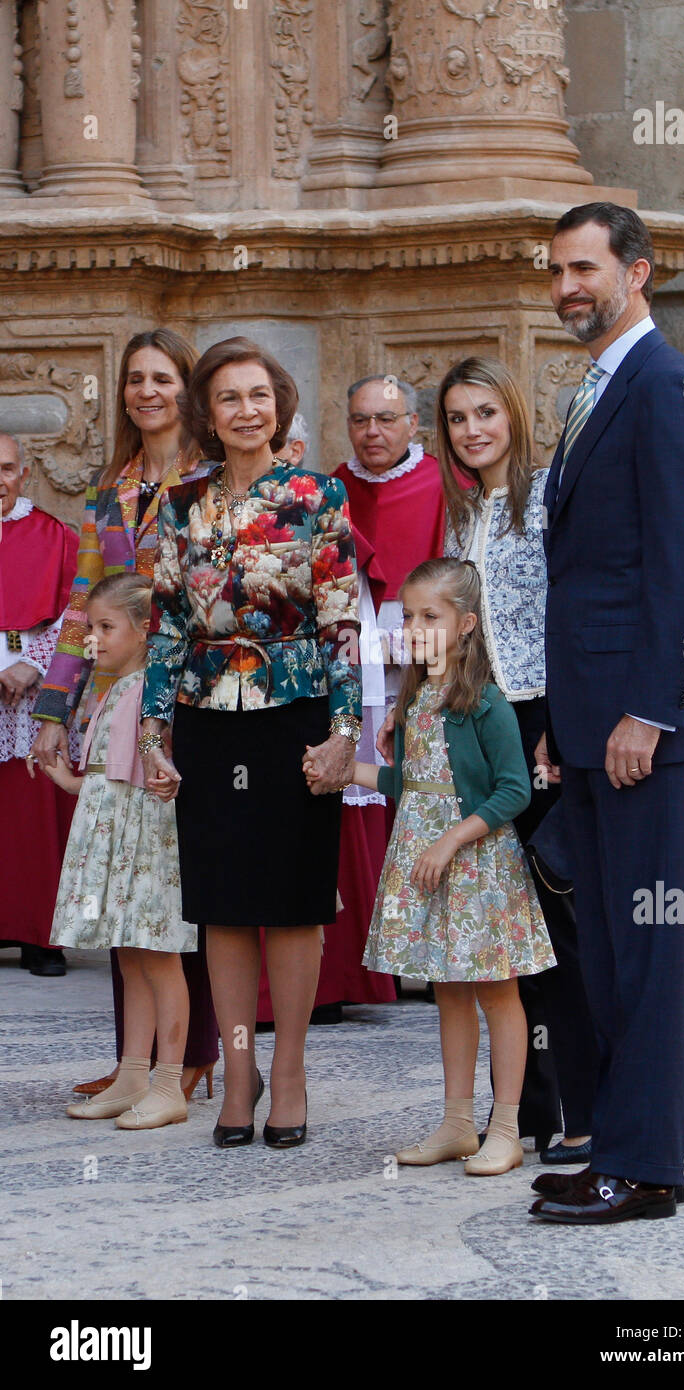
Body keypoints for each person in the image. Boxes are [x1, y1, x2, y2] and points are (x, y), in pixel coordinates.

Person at [529, 202, 684, 1225]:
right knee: (605, 949)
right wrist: (567, 721)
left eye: (582, 268)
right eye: (555, 270)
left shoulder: (667, 385)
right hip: (593, 725)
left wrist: (647, 713)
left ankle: (647, 1169)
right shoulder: (596, 388)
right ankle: (616, 1143)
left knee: (645, 954)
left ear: (637, 272)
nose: (565, 285)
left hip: (648, 731)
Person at [139, 337, 362, 1151]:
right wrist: (153, 732)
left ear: (280, 404)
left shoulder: (316, 495)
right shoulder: (179, 504)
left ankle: (292, 1073)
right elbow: (164, 626)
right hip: (204, 716)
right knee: (224, 908)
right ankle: (238, 1072)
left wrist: (345, 733)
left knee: (295, 903)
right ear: (207, 412)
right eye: (228, 398)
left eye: (258, 395)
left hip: (294, 715)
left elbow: (341, 621)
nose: (245, 410)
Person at [31, 328, 218, 1100]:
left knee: (184, 883)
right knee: (125, 878)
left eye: (163, 378)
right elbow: (82, 605)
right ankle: (135, 1058)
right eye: (135, 379)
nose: (147, 391)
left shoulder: (213, 481)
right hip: (119, 698)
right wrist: (55, 709)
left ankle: (195, 1052)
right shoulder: (111, 489)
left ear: (188, 388)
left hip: (193, 698)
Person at [340, 558, 555, 1178]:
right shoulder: (416, 696)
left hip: (478, 867)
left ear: (465, 624)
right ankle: (458, 1123)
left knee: (498, 992)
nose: (413, 627)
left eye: (429, 616)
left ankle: (508, 1128)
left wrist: (451, 842)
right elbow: (409, 782)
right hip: (426, 856)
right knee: (450, 993)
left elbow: (515, 791)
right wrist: (344, 773)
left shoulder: (485, 702)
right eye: (407, 615)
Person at [437, 356, 598, 1164]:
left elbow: (568, 615)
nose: (473, 429)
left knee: (554, 916)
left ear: (512, 416)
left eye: (485, 413)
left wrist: (559, 730)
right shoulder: (459, 517)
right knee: (503, 930)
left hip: (542, 718)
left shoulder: (546, 501)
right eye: (459, 417)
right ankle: (523, 1110)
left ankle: (583, 1108)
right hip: (483, 721)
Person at [256, 413, 395, 1026]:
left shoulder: (326, 511)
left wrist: (347, 723)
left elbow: (349, 624)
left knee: (316, 832)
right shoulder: (208, 513)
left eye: (287, 444)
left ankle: (331, 983)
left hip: (315, 694)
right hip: (237, 702)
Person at [43, 574, 197, 1129]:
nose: (94, 640)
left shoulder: (152, 690)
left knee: (158, 955)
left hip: (147, 841)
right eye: (90, 628)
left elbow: (151, 777)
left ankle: (168, 1080)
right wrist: (70, 784)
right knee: (130, 955)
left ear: (145, 629)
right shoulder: (115, 689)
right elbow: (112, 778)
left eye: (106, 628)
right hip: (117, 834)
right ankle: (133, 1071)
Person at [0, 434, 78, 976]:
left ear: (24, 474)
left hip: (35, 689)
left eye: (5, 469)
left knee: (35, 815)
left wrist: (33, 664)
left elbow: (80, 611)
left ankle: (40, 936)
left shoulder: (54, 535)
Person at [336, 375, 445, 710]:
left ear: (412, 424)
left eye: (385, 419)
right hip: (354, 633)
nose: (372, 431)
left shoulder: (444, 481)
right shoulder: (332, 486)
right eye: (360, 420)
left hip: (425, 632)